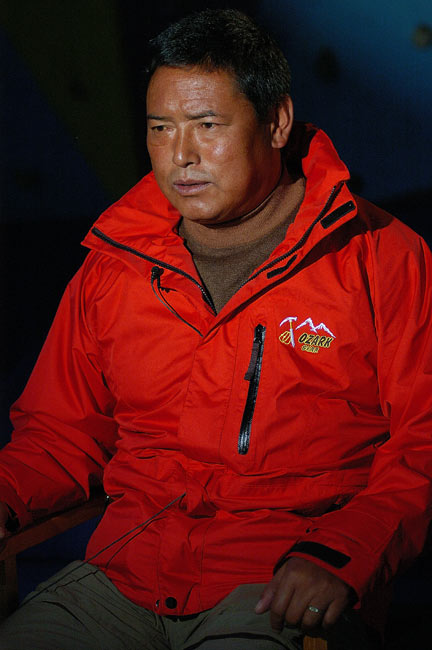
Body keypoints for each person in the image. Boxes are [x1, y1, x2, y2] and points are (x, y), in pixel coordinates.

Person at [0, 8, 431, 649]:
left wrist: (342, 554)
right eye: (160, 128)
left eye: (207, 125)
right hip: (122, 578)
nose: (181, 155)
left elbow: (423, 443)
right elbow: (58, 435)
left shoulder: (382, 258)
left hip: (279, 583)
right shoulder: (115, 265)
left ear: (276, 122)